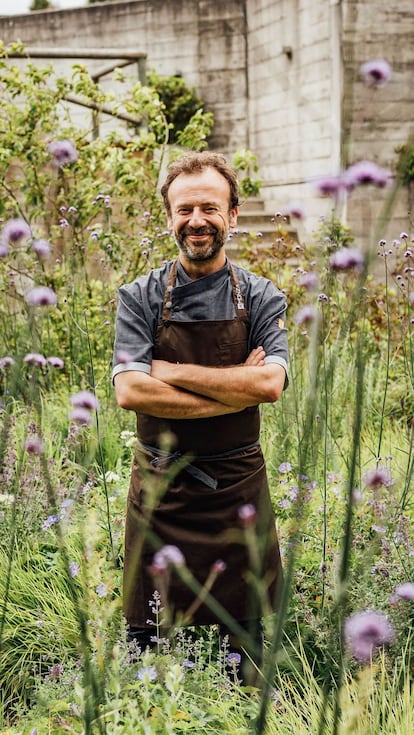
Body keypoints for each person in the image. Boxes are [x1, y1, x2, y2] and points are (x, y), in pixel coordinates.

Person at [112, 151, 288, 683]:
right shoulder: (138, 298)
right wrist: (233, 391)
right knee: (148, 650)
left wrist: (168, 370)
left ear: (232, 215)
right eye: (184, 209)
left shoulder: (261, 296)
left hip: (238, 493)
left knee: (250, 655)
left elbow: (268, 383)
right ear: (169, 217)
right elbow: (129, 391)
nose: (196, 220)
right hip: (161, 495)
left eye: (209, 207)